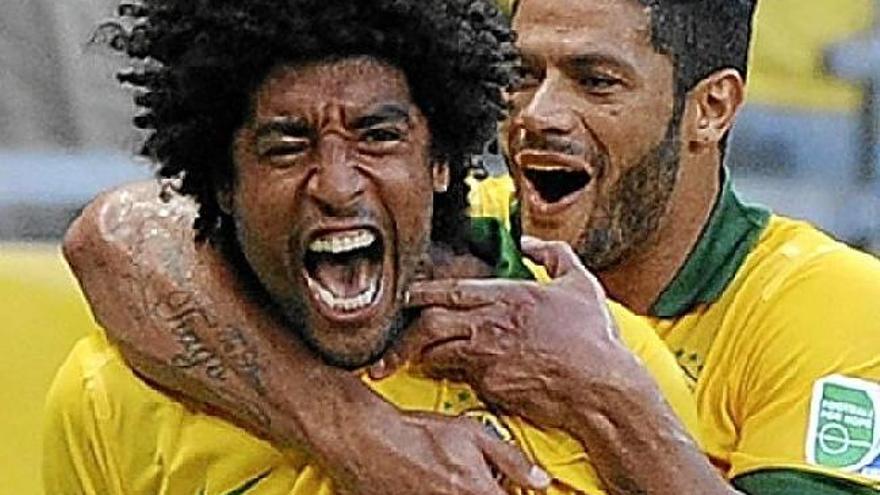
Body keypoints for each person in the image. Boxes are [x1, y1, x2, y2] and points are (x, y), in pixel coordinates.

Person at [59, 0, 880, 493]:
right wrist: (363, 433)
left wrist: (609, 401)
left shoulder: (822, 306)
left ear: (712, 108)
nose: (539, 115)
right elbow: (116, 236)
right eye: (522, 73)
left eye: (595, 80)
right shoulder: (444, 234)